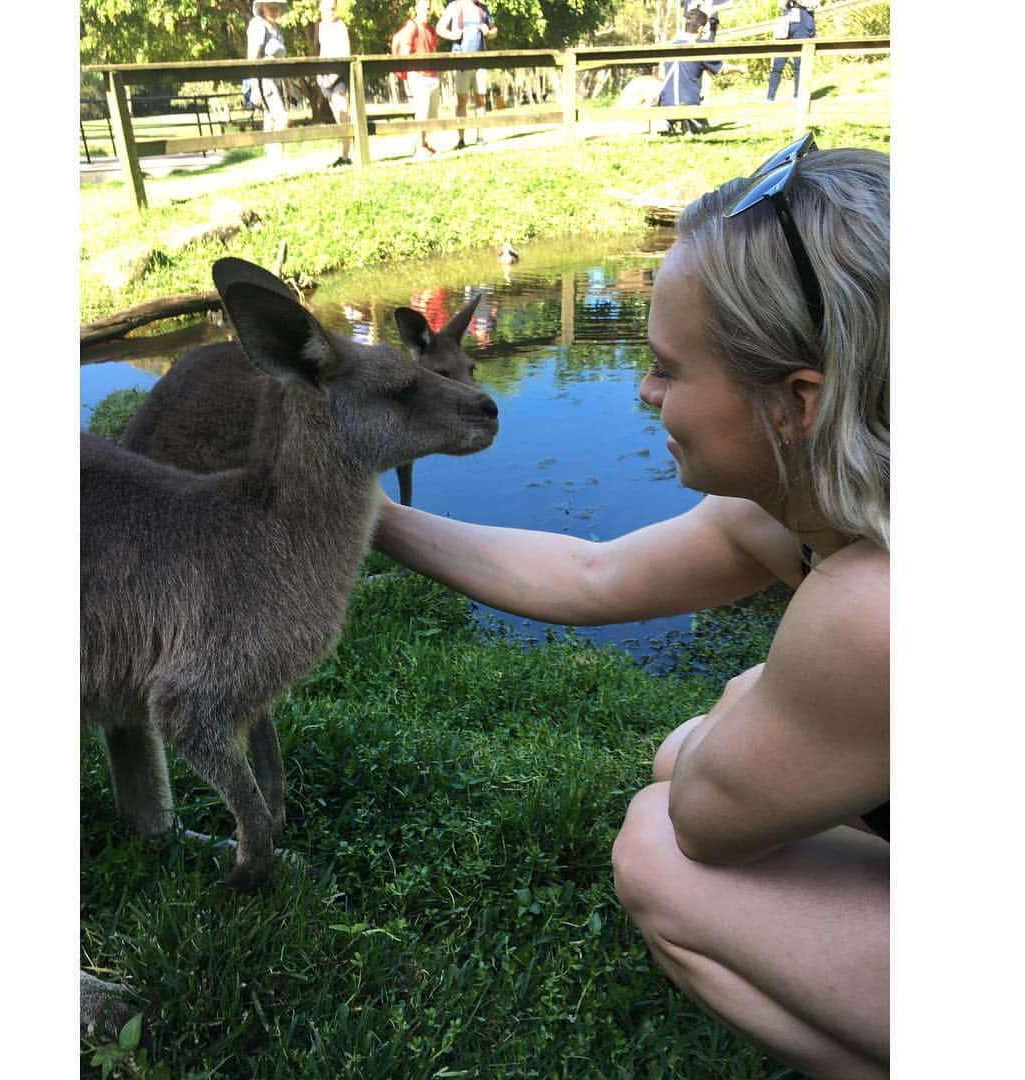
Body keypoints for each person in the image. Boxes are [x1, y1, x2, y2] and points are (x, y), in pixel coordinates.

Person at [372, 136, 890, 1079]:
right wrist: (372, 519)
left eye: (666, 367)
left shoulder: (877, 608)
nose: (644, 391)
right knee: (722, 725)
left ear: (796, 402)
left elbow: (703, 821)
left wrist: (738, 714)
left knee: (658, 844)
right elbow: (591, 576)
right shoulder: (819, 510)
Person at [436, 0, 497, 150]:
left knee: (480, 98)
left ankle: (480, 136)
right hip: (461, 59)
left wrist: (489, 33)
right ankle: (461, 139)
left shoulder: (483, 8)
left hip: (481, 59)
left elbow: (494, 30)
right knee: (461, 100)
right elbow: (440, 28)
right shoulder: (455, 6)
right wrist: (452, 35)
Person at [655, 8, 725, 135]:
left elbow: (660, 74)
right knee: (702, 128)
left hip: (666, 103)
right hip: (689, 103)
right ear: (700, 29)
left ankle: (669, 121)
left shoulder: (669, 45)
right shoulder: (699, 46)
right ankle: (690, 121)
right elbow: (722, 69)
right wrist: (740, 69)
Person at [392, 0, 441, 160]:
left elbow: (433, 49)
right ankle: (418, 147)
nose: (426, 12)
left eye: (428, 9)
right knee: (421, 113)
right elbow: (405, 51)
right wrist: (410, 74)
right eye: (424, 8)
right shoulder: (412, 27)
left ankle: (427, 144)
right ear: (416, 8)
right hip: (418, 75)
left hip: (432, 75)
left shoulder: (431, 29)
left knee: (432, 114)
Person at [246, 1, 290, 164]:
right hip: (264, 80)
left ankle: (272, 160)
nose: (273, 10)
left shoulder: (277, 28)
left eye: (276, 7)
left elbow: (280, 59)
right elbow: (252, 58)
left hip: (277, 80)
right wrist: (254, 87)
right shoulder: (258, 25)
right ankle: (278, 158)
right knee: (282, 117)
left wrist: (288, 84)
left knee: (270, 119)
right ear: (262, 8)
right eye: (270, 6)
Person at [315, 0, 353, 167]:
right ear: (320, 8)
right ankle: (344, 156)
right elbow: (321, 51)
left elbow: (346, 52)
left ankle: (345, 156)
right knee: (338, 118)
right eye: (326, 8)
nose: (329, 11)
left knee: (343, 115)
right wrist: (319, 74)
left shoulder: (340, 26)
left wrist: (334, 76)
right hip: (324, 77)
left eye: (332, 8)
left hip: (338, 78)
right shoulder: (320, 26)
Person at [767, 0, 818, 102]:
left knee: (799, 64)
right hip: (785, 26)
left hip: (802, 26)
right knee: (778, 63)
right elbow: (780, 6)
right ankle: (770, 97)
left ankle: (797, 95)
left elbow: (814, 4)